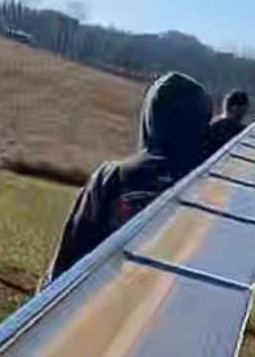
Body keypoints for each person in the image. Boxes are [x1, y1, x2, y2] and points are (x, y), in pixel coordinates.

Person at [44, 71, 212, 282]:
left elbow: (68, 257)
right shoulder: (211, 192)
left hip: (99, 298)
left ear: (150, 117)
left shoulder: (111, 176)